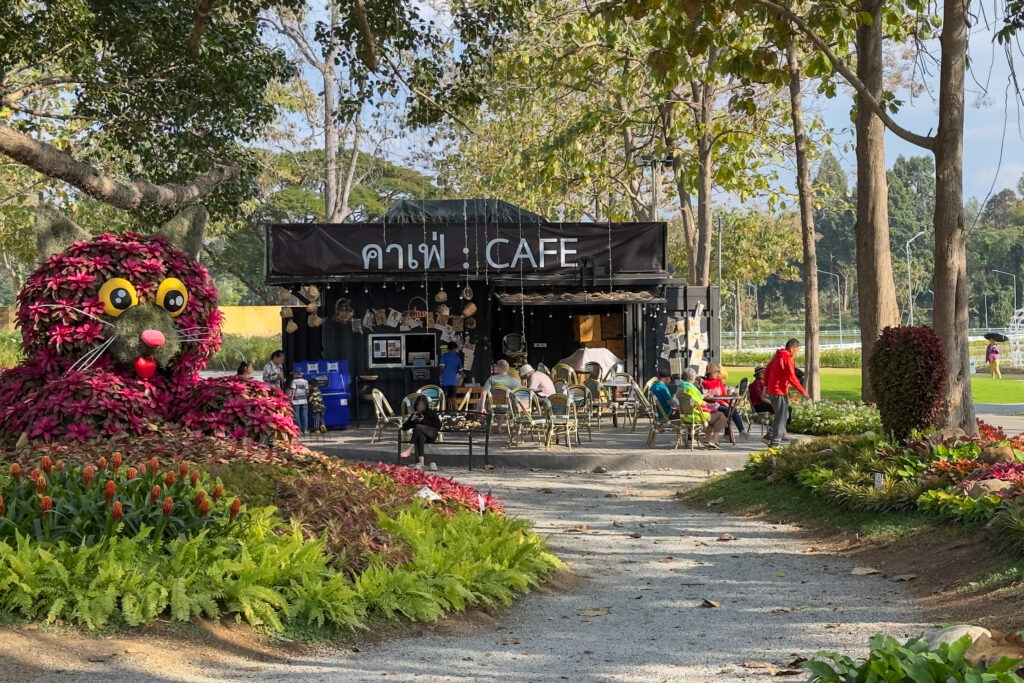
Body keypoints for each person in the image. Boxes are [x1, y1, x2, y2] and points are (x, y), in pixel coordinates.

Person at [763, 338, 808, 447]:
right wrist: (803, 392)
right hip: (779, 391)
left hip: (774, 391)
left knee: (785, 413)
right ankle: (774, 443)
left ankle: (769, 435)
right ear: (792, 348)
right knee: (781, 416)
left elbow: (767, 370)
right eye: (797, 349)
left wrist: (765, 386)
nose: (797, 352)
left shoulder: (777, 356)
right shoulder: (787, 358)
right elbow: (791, 377)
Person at [678, 368, 728, 449]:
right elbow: (700, 402)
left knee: (714, 417)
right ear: (692, 378)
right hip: (695, 415)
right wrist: (709, 405)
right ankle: (714, 440)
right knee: (720, 416)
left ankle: (707, 439)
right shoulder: (690, 388)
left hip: (685, 416)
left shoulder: (680, 387)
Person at [701, 363, 746, 438]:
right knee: (727, 411)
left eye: (718, 372)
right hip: (712, 406)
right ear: (710, 373)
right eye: (716, 372)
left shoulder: (719, 381)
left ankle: (740, 431)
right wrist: (724, 403)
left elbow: (724, 394)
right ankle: (729, 433)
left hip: (721, 403)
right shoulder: (705, 383)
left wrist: (729, 403)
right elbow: (710, 398)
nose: (718, 374)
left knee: (732, 410)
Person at [400, 395, 441, 469]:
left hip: (431, 434)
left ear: (426, 405)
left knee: (418, 427)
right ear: (416, 405)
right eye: (419, 405)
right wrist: (412, 419)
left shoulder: (430, 413)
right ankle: (421, 463)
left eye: (422, 405)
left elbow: (438, 425)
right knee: (420, 436)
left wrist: (424, 421)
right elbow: (404, 427)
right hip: (422, 437)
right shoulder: (415, 414)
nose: (420, 407)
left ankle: (409, 449)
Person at [288, 370, 309, 435]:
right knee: (305, 415)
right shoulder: (306, 381)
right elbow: (307, 391)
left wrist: (291, 399)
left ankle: (299, 430)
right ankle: (305, 430)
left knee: (296, 415)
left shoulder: (294, 381)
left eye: (294, 374)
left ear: (297, 374)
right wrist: (306, 398)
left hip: (296, 401)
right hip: (304, 400)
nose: (293, 375)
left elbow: (293, 391)